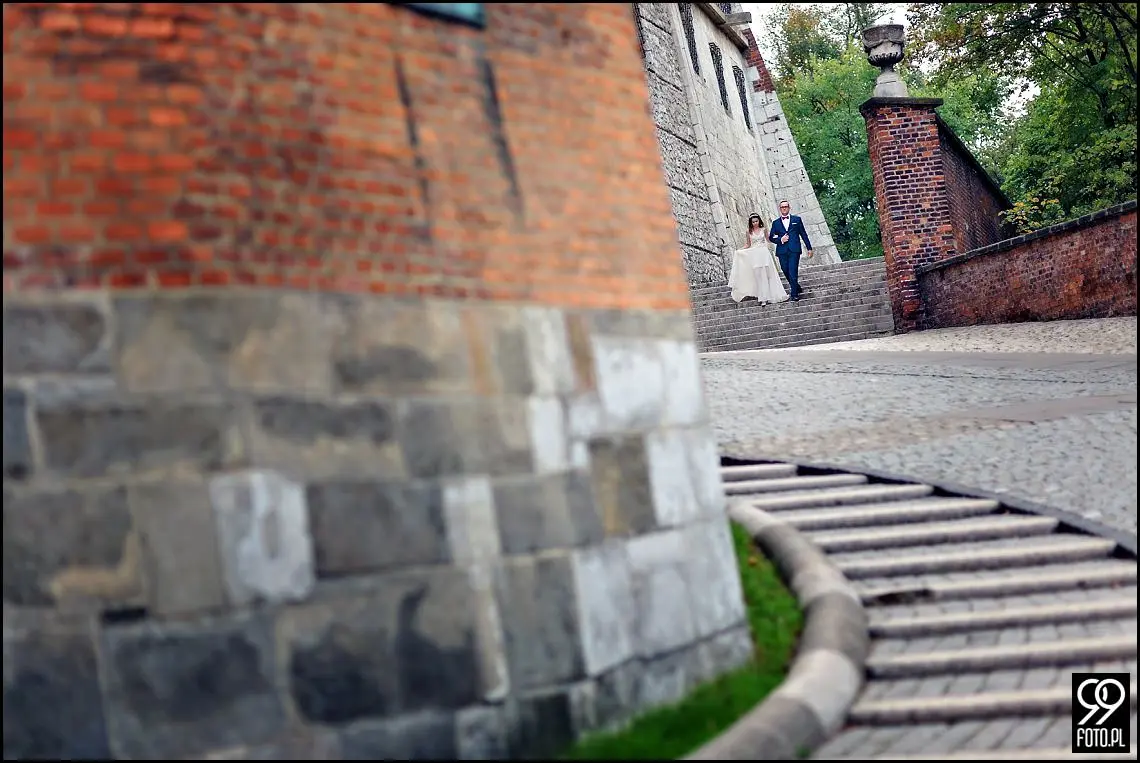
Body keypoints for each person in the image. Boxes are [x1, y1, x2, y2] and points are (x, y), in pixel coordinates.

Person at [728, 213, 789, 305]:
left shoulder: (763, 230)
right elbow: (748, 244)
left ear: (759, 221)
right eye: (753, 222)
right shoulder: (748, 232)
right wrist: (739, 250)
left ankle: (772, 295)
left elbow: (769, 240)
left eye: (756, 221)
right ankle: (763, 298)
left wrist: (780, 240)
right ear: (750, 222)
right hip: (755, 254)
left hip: (764, 253)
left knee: (768, 275)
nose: (755, 223)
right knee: (758, 275)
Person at [768, 200, 813, 301]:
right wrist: (780, 239)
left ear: (789, 208)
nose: (784, 208)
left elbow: (803, 234)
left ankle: (794, 294)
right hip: (782, 250)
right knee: (785, 270)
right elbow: (771, 237)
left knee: (793, 270)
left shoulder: (797, 220)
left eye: (786, 206)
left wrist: (809, 248)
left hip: (794, 249)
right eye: (782, 207)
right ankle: (796, 286)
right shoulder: (775, 223)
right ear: (780, 209)